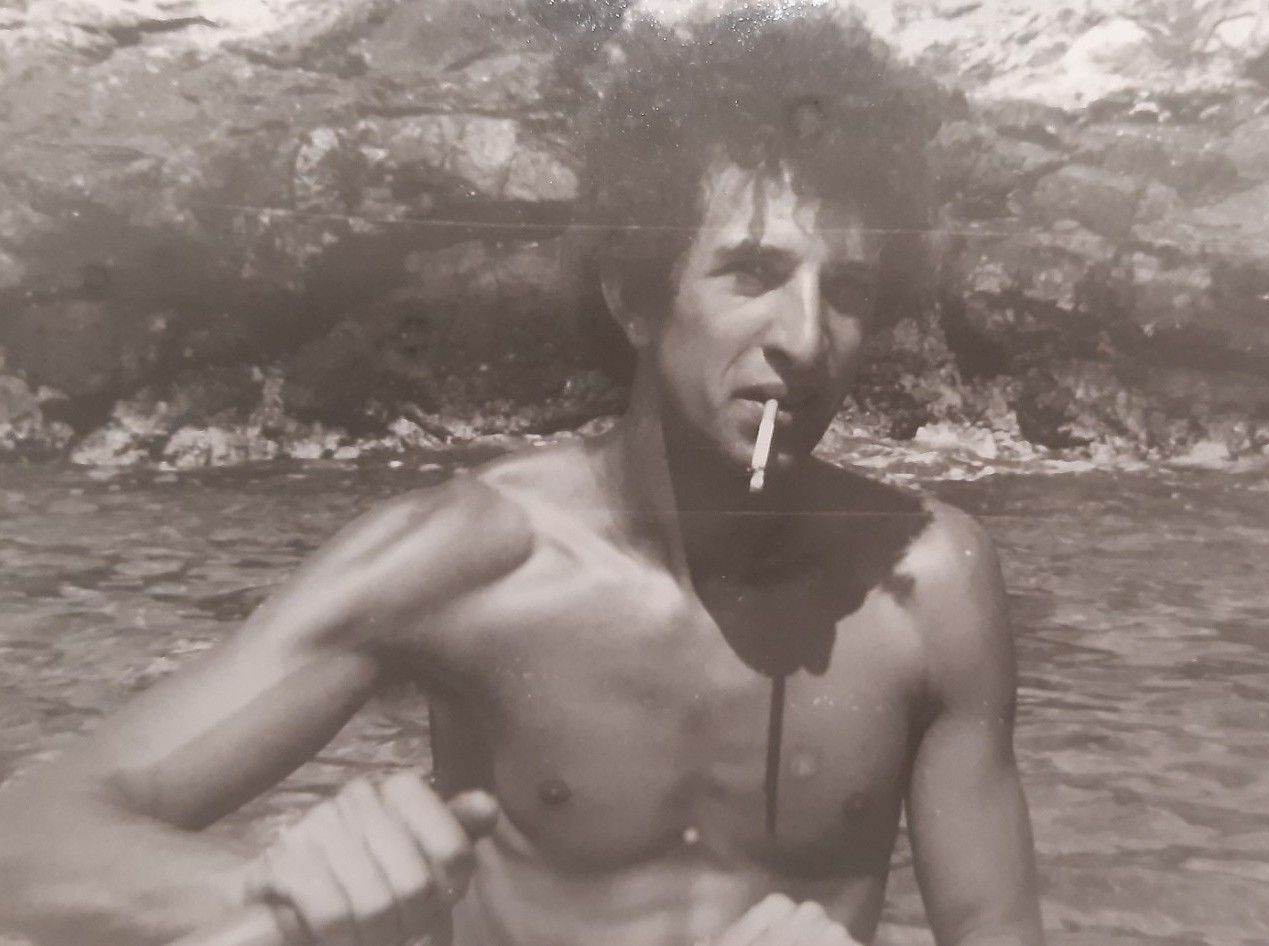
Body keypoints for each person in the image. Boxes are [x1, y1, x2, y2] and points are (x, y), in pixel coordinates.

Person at [0, 7, 1046, 946]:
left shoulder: (931, 586)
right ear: (634, 298)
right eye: (753, 272)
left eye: (848, 288)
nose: (807, 340)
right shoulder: (473, 558)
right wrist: (268, 894)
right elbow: (27, 845)